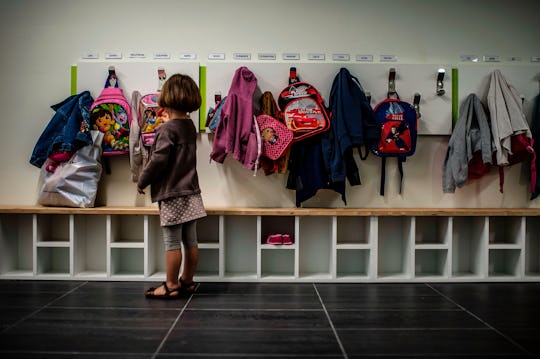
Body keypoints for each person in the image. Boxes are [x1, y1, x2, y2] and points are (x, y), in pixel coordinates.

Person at [137, 74, 206, 299]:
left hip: (172, 193)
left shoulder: (166, 130)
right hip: (192, 192)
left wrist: (142, 181)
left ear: (167, 97)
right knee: (191, 240)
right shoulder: (188, 126)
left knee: (172, 241)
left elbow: (158, 160)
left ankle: (170, 285)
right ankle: (186, 281)